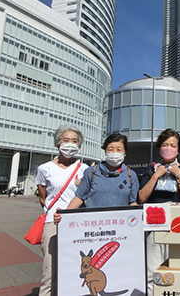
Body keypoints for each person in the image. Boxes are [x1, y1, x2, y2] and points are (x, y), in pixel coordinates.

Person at [138, 129, 180, 296]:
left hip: (179, 224)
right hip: (155, 225)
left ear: (178, 149)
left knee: (176, 266)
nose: (169, 148)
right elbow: (141, 197)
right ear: (159, 148)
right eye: (165, 145)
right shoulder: (151, 169)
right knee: (153, 270)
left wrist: (179, 176)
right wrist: (156, 176)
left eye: (173, 145)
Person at [35, 125, 88, 296]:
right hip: (53, 222)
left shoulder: (84, 169)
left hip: (77, 224)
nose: (70, 144)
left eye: (75, 141)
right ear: (58, 143)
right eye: (66, 140)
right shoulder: (45, 168)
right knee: (50, 270)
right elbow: (43, 197)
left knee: (73, 267)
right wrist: (52, 212)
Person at [56, 133, 139, 212]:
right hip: (95, 223)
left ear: (125, 153)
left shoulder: (130, 175)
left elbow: (132, 202)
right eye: (110, 149)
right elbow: (79, 198)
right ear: (105, 151)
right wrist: (65, 215)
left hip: (120, 223)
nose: (114, 152)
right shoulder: (92, 172)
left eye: (119, 149)